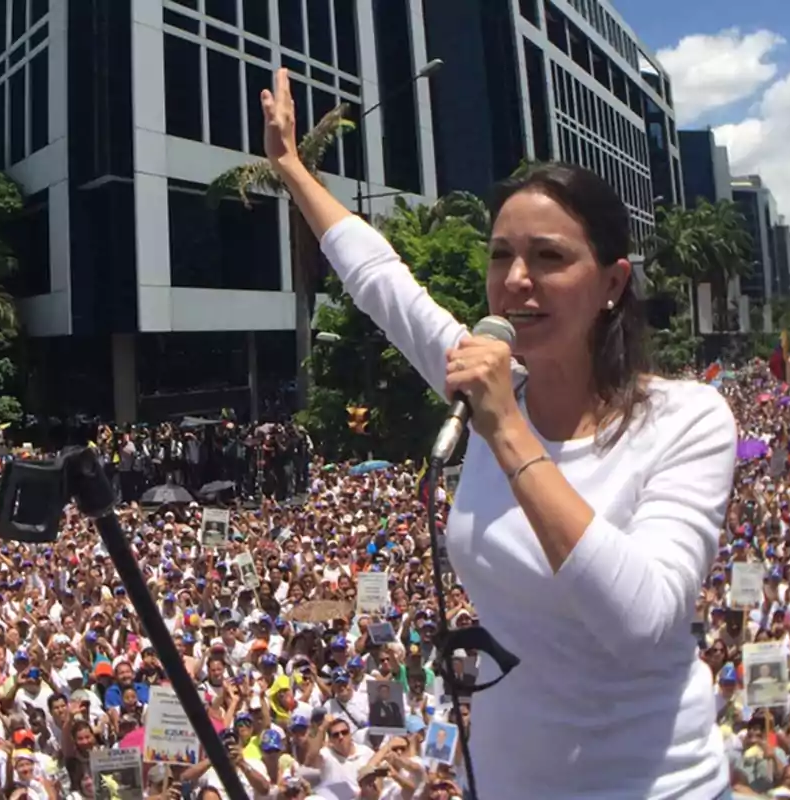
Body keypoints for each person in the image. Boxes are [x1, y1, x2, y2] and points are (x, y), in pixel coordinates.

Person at [258, 67, 736, 798]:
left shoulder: (685, 420)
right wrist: (292, 168)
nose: (517, 280)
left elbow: (641, 619)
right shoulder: (483, 387)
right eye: (501, 255)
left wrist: (508, 428)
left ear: (612, 283)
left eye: (548, 257)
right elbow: (380, 278)